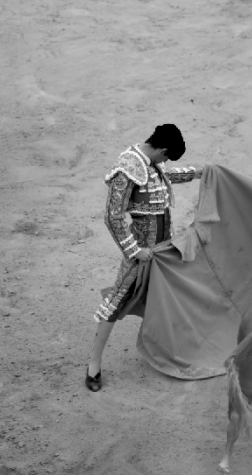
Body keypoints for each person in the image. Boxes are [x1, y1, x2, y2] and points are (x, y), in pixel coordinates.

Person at [84, 124, 202, 392]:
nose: (166, 162)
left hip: (162, 250)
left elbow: (164, 176)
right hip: (142, 254)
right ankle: (93, 366)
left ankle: (174, 353)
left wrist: (196, 173)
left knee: (171, 299)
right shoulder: (127, 167)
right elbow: (112, 216)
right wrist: (135, 250)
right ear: (162, 149)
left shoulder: (149, 161)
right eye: (167, 156)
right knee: (116, 302)